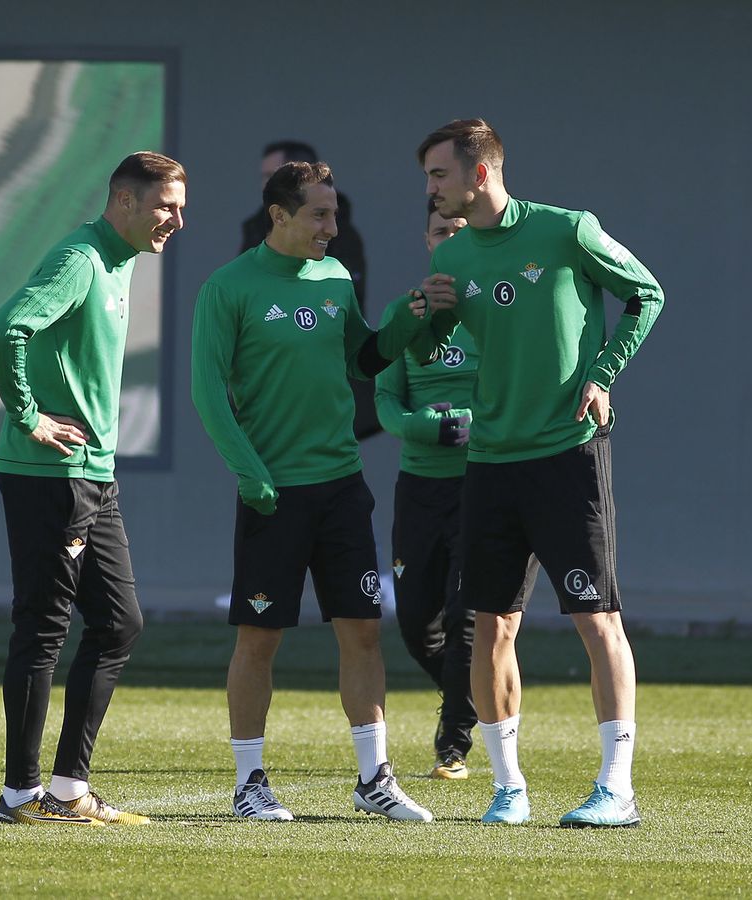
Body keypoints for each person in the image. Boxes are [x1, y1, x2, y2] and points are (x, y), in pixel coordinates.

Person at [416, 119, 665, 828]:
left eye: (438, 175)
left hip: (568, 455)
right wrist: (431, 319)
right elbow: (443, 344)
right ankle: (509, 789)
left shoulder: (568, 229)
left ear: (479, 173)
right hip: (490, 461)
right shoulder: (455, 256)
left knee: (597, 618)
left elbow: (646, 293)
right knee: (489, 628)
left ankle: (616, 789)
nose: (431, 190)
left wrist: (603, 373)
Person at [194, 160, 444, 823]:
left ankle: (374, 779)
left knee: (363, 633)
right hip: (273, 493)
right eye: (320, 215)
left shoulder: (335, 278)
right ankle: (250, 784)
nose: (333, 229)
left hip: (341, 489)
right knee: (260, 640)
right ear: (279, 215)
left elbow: (364, 357)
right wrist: (250, 471)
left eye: (336, 215)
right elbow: (207, 392)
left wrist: (406, 320)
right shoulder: (228, 287)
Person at [0, 151, 187, 827]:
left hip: (93, 474)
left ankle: (70, 789)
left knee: (119, 623)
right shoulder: (80, 259)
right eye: (166, 206)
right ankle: (20, 795)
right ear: (124, 201)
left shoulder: (119, 263)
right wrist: (27, 416)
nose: (177, 220)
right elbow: (5, 326)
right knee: (42, 628)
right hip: (51, 475)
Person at [374, 204, 480, 781]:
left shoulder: (493, 314)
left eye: (461, 233)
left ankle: (455, 741)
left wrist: (463, 420)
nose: (450, 241)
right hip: (419, 486)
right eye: (441, 232)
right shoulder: (404, 312)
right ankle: (480, 694)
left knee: (467, 615)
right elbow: (385, 399)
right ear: (427, 241)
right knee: (418, 622)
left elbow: (509, 395)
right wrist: (425, 426)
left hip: (479, 483)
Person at [240, 140, 381, 440]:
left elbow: (343, 322)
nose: (265, 185)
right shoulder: (253, 232)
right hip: (270, 386)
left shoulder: (340, 245)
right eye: (263, 177)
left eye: (272, 176)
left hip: (325, 386)